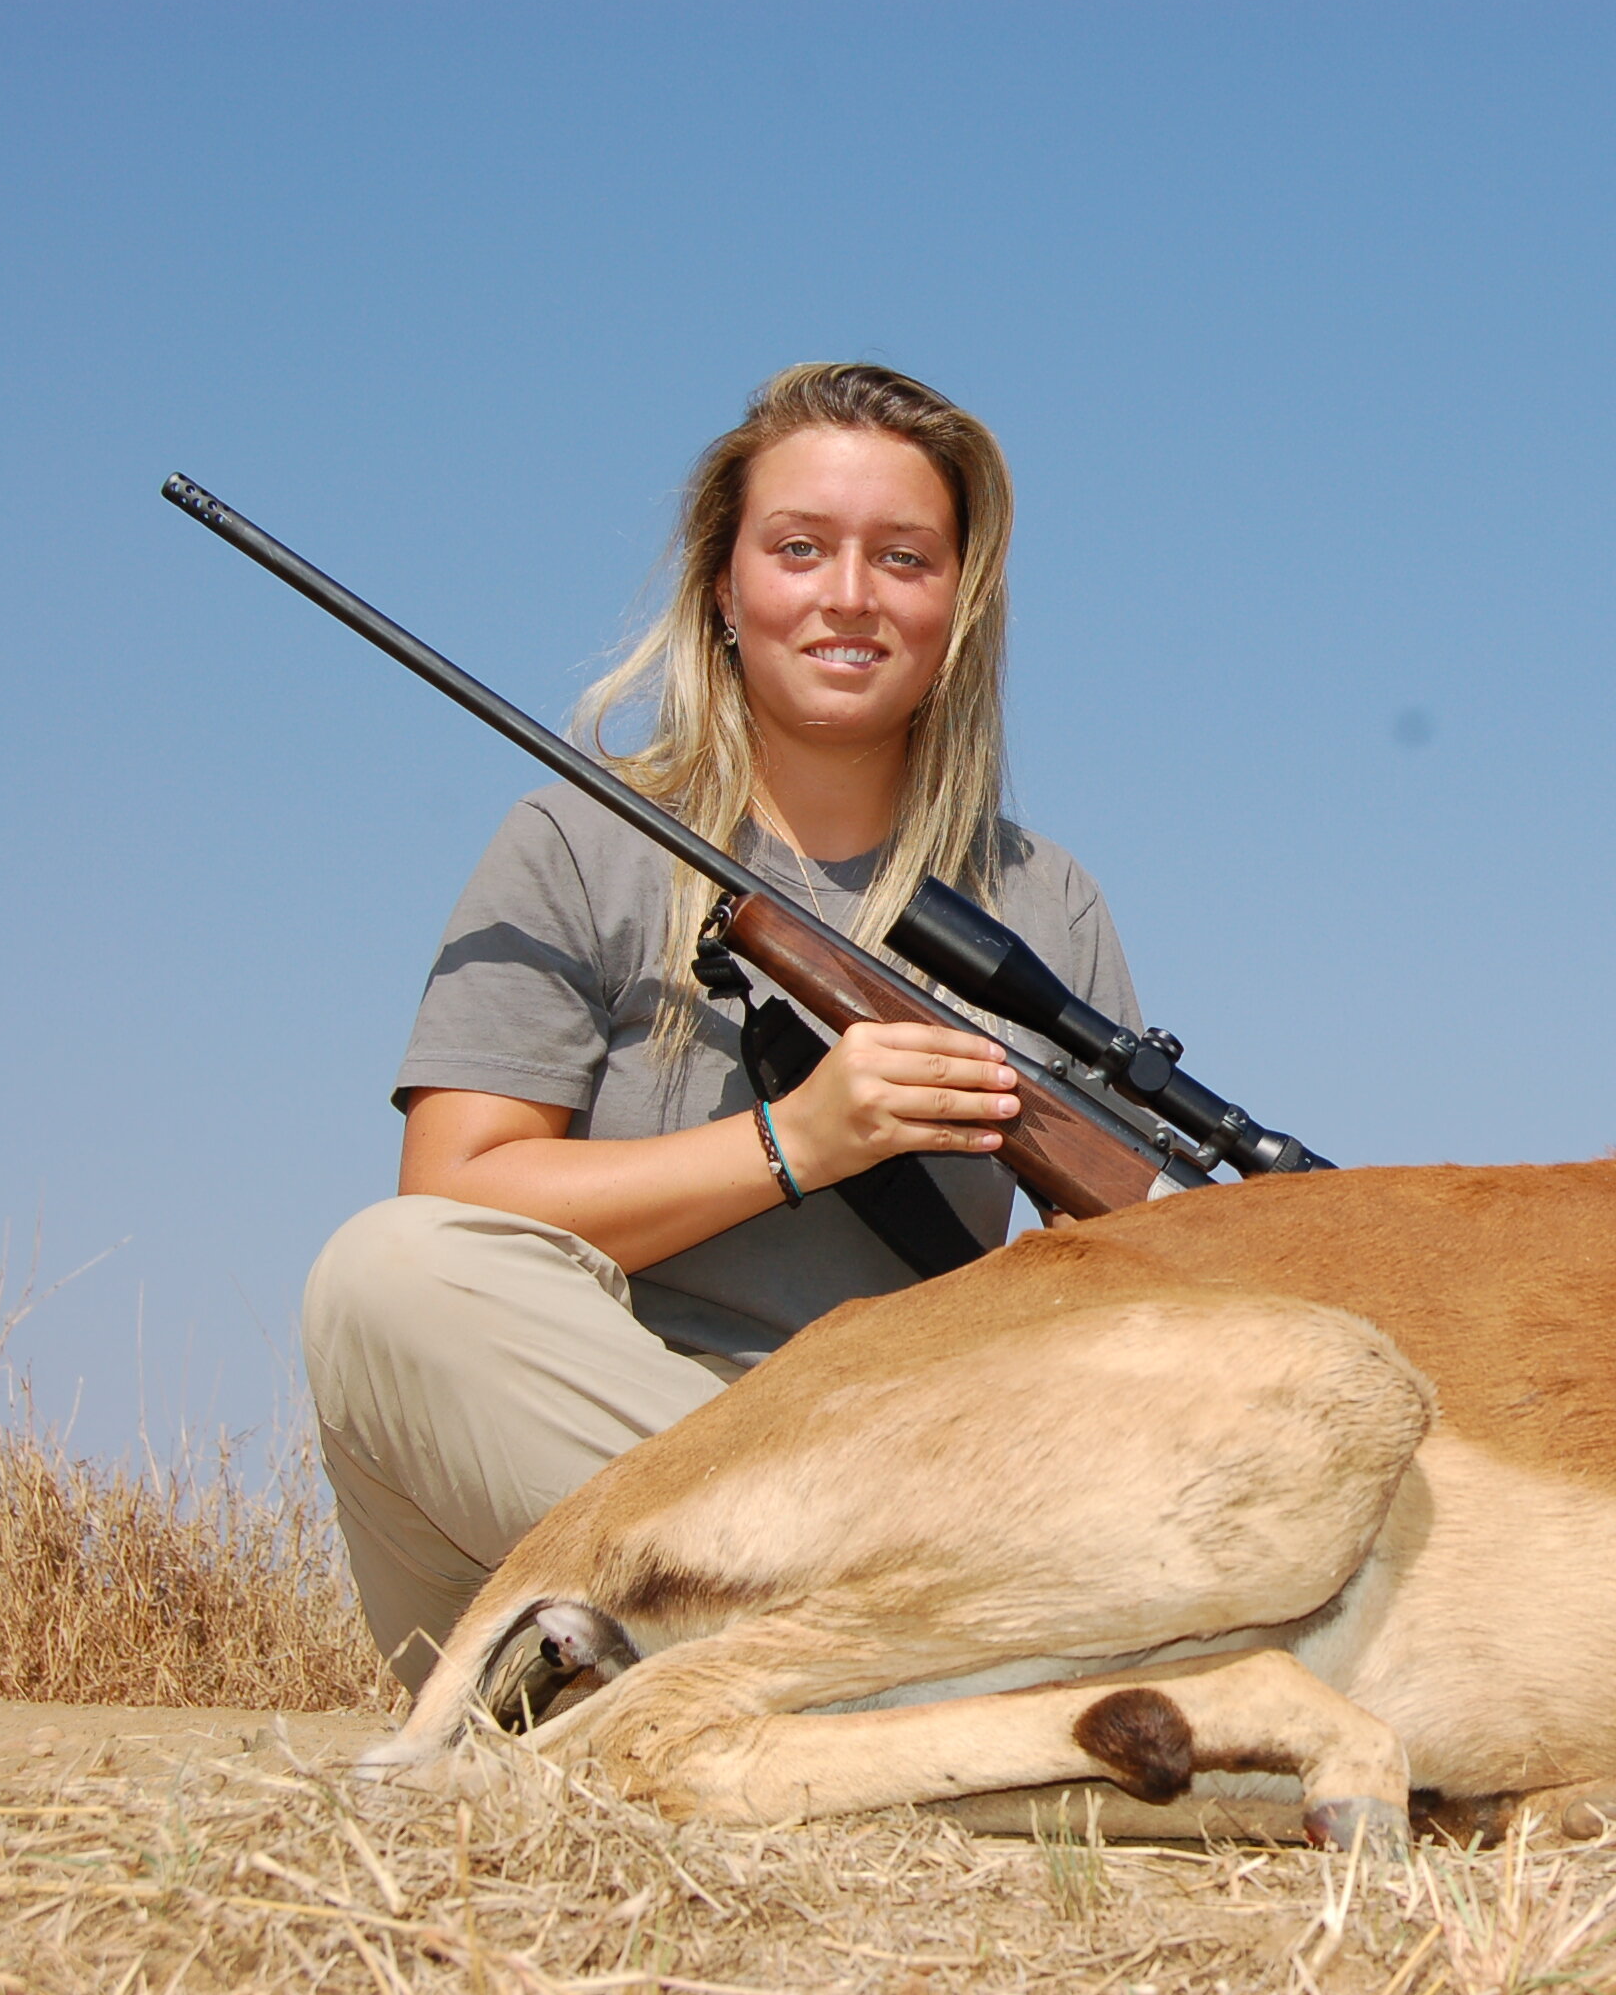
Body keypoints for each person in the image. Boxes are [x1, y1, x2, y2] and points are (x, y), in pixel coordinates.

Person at [302, 364, 1142, 1688]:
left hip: (894, 1472)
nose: (849, 595)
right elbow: (454, 1189)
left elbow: (1130, 1255)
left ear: (958, 608)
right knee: (388, 1276)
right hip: (582, 1482)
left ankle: (802, 1682)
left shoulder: (1045, 902)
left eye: (905, 559)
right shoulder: (578, 840)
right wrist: (802, 1139)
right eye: (800, 548)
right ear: (723, 585)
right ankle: (880, 1672)